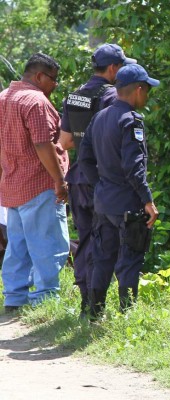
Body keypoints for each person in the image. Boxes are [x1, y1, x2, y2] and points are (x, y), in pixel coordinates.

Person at [59, 43, 136, 318]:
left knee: (85, 240)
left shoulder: (75, 96)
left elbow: (65, 141)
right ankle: (105, 307)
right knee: (109, 244)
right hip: (106, 182)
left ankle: (86, 303)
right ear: (113, 68)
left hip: (78, 178)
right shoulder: (113, 97)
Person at [79, 64, 160, 318]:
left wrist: (101, 184)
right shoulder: (131, 120)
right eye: (146, 90)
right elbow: (134, 167)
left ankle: (94, 314)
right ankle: (128, 316)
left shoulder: (99, 117)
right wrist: (147, 200)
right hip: (128, 202)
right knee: (130, 258)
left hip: (103, 201)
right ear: (137, 90)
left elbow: (84, 159)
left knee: (103, 258)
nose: (147, 96)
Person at [0, 53, 70, 312]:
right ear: (39, 76)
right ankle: (45, 297)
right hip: (39, 185)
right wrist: (59, 181)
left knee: (17, 244)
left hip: (13, 185)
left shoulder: (4, 97)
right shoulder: (35, 101)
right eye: (53, 79)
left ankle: (15, 296)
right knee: (48, 242)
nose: (55, 85)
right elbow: (42, 145)